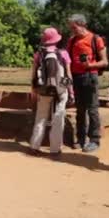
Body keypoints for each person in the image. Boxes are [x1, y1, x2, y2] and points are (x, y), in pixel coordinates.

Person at [29, 28, 74, 157]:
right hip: (60, 90)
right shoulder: (63, 53)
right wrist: (71, 92)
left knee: (40, 118)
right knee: (58, 119)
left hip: (43, 91)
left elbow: (33, 74)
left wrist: (34, 90)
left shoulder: (39, 54)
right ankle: (55, 148)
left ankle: (34, 146)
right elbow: (68, 74)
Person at [66, 14, 108, 153]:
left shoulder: (95, 39)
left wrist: (90, 65)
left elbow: (104, 61)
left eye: (74, 27)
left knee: (92, 109)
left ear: (82, 24)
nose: (72, 30)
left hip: (90, 76)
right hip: (76, 77)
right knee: (80, 110)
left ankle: (94, 140)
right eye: (71, 27)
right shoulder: (72, 41)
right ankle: (81, 138)